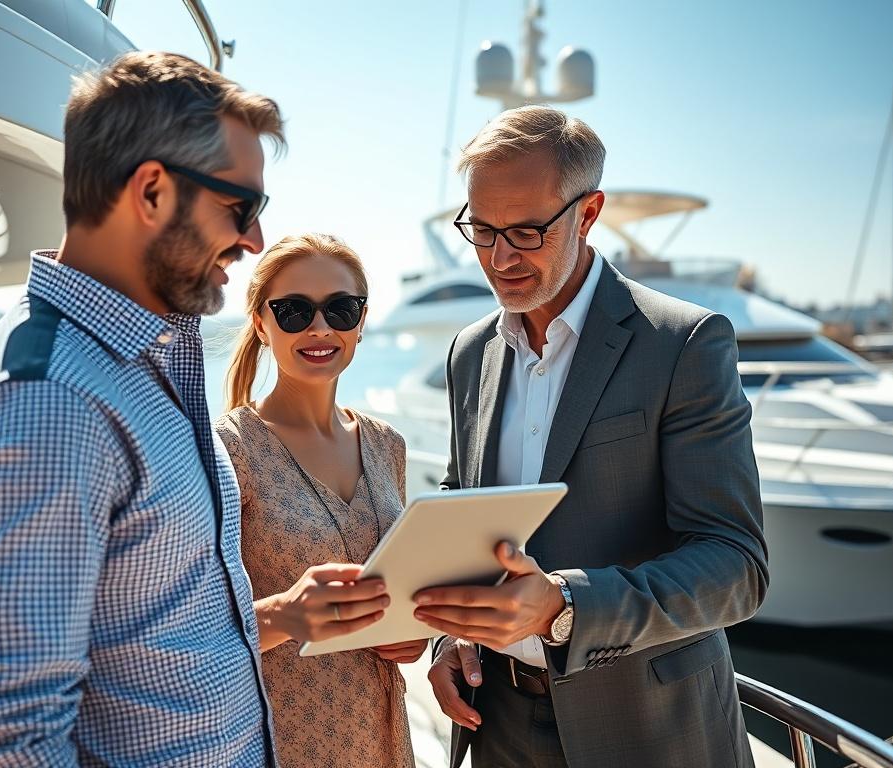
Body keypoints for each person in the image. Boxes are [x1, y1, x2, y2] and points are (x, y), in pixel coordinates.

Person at [0, 51, 284, 766]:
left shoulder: (142, 363)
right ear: (150, 192)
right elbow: (12, 744)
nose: (255, 239)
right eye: (243, 206)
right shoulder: (46, 406)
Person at [416, 106, 769, 768]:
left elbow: (737, 566)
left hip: (648, 729)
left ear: (588, 212)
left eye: (525, 231)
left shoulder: (683, 343)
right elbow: (460, 500)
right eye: (482, 231)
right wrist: (449, 641)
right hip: (498, 723)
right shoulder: (469, 353)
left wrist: (565, 606)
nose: (499, 258)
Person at [214, 233, 425, 768]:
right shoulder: (226, 448)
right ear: (261, 323)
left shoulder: (386, 446)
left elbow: (392, 587)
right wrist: (285, 615)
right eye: (294, 311)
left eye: (340, 309)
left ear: (361, 321)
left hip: (381, 736)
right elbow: (191, 629)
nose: (320, 328)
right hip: (276, 739)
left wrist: (409, 635)